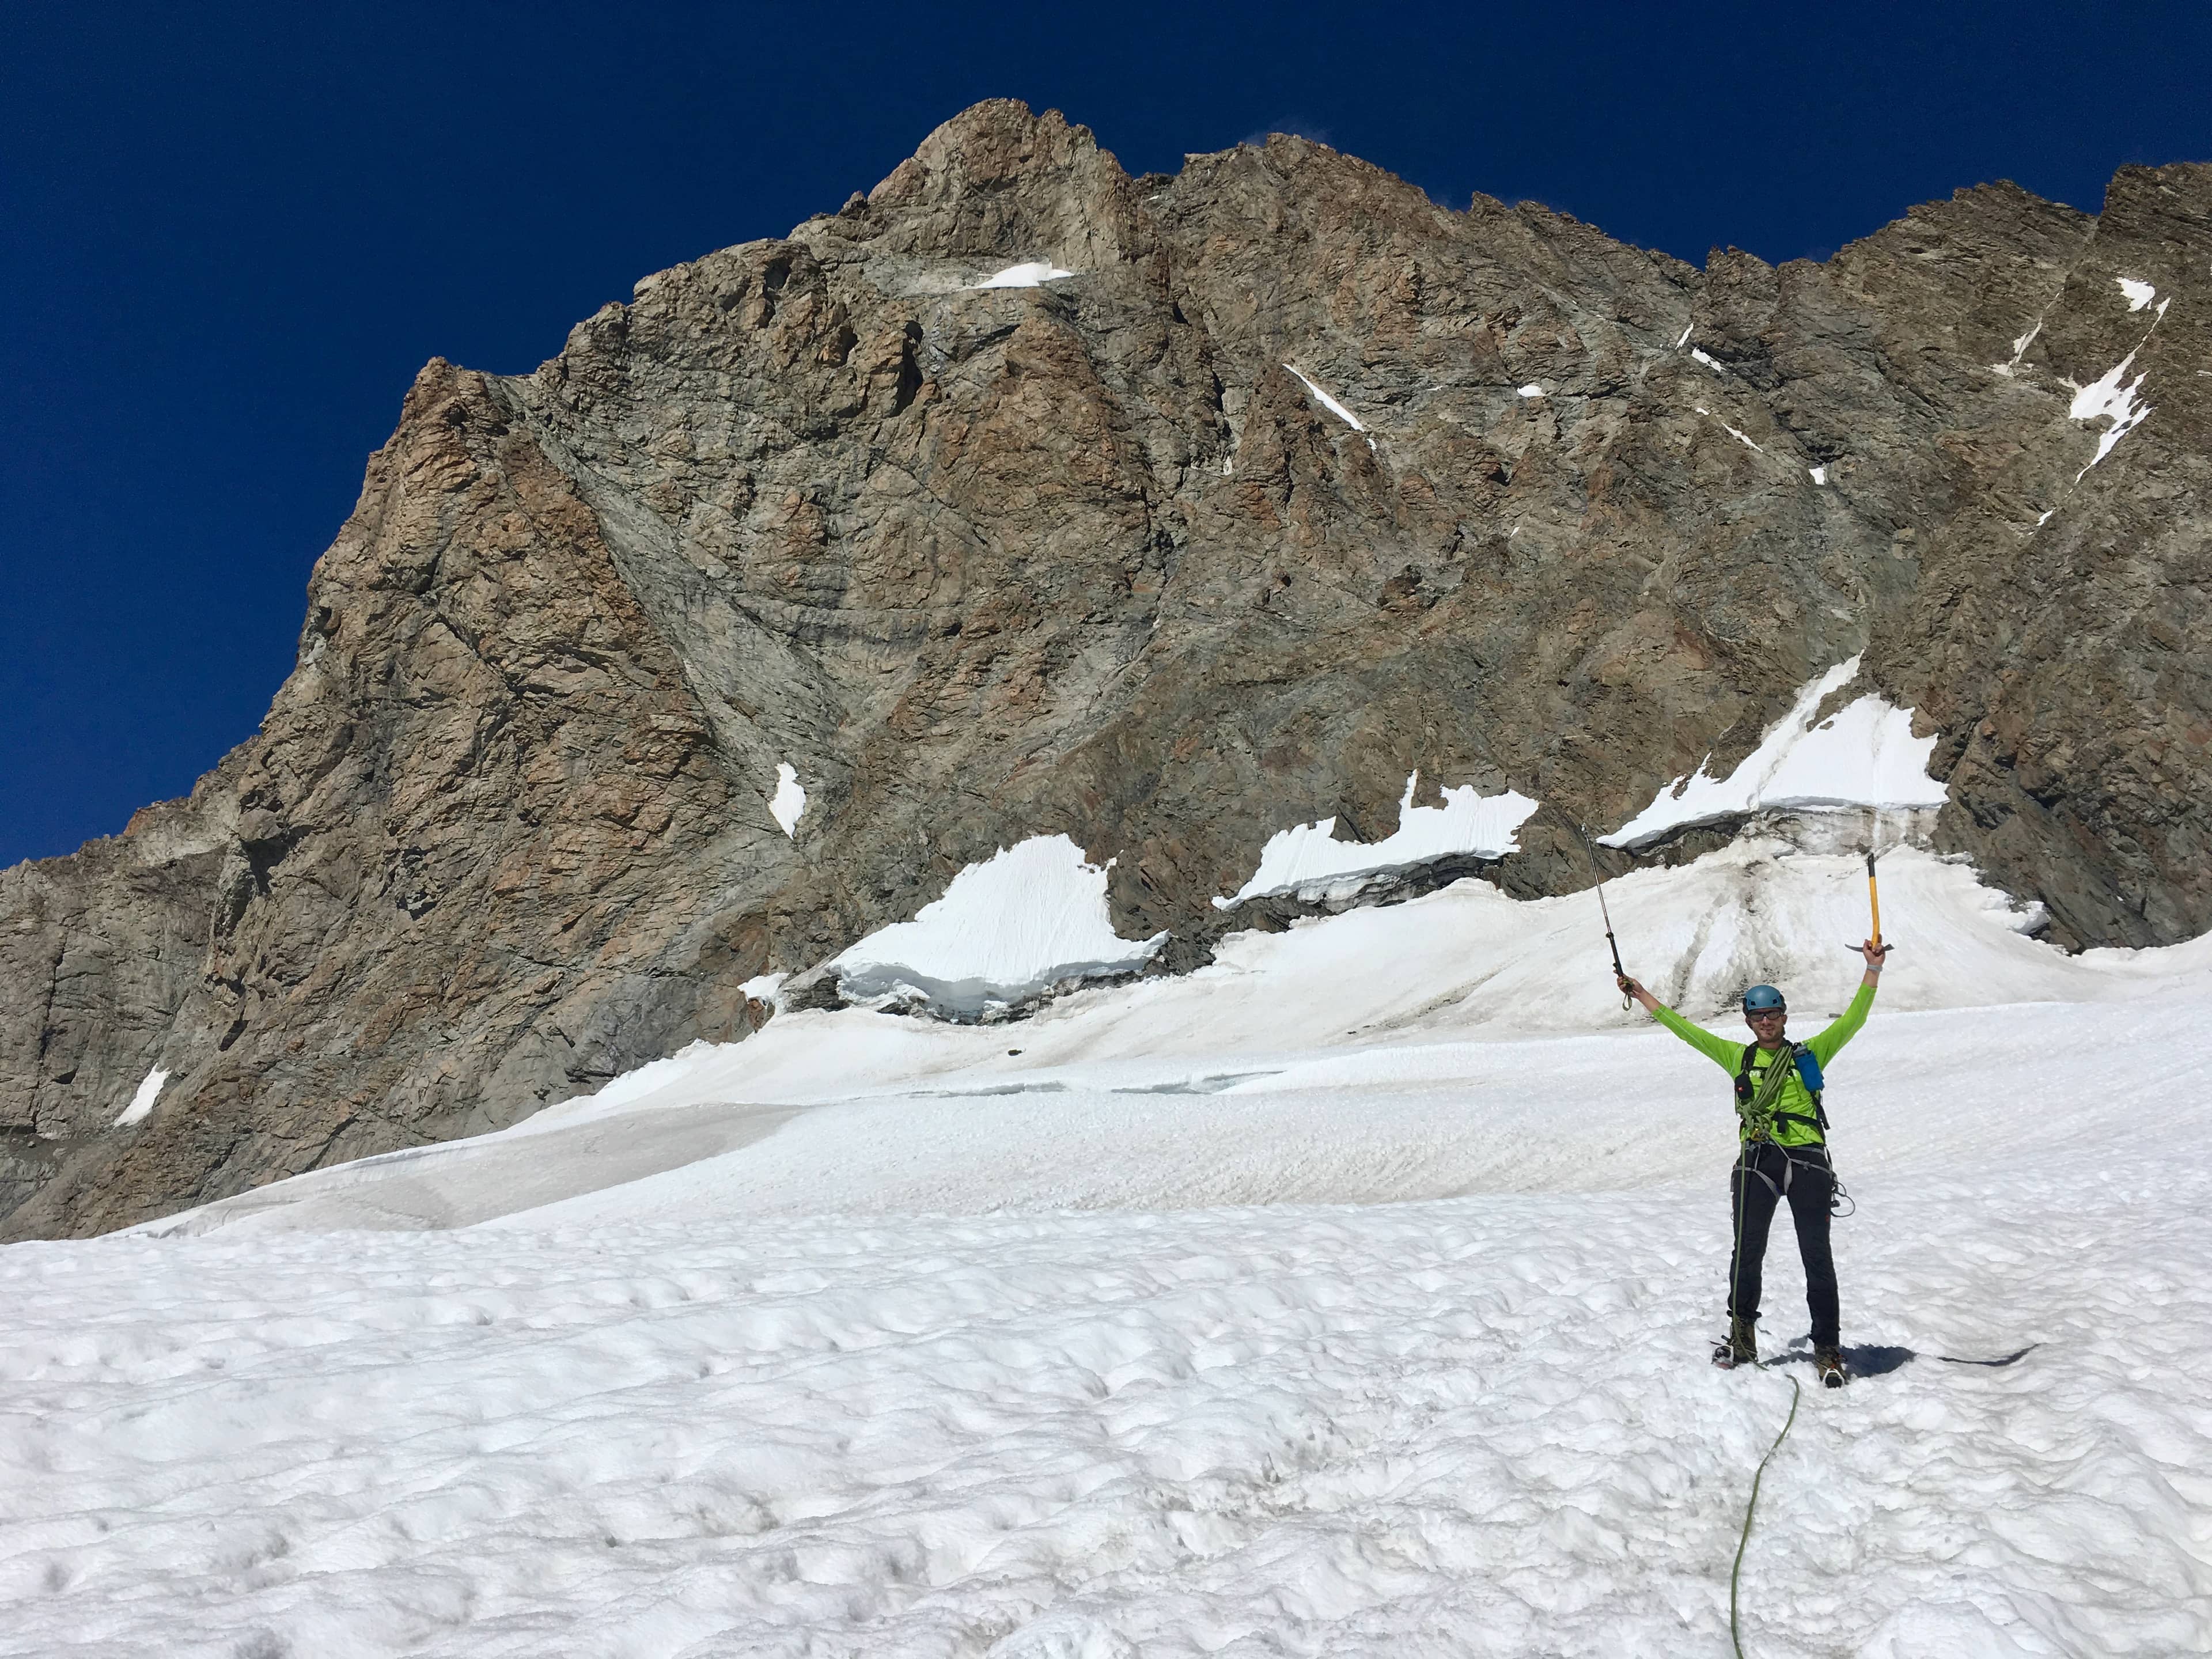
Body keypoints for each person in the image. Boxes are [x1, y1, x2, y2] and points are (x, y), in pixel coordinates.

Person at [1615, 940, 1890, 1387]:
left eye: (1773, 1015)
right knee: (1747, 1253)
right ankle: (1742, 1339)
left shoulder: (1811, 1053)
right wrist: (1642, 993)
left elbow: (1855, 1018)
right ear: (1748, 1020)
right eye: (1758, 1016)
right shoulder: (1738, 1057)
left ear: (1784, 1017)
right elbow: (1685, 1030)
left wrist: (1873, 970)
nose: (1766, 1022)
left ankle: (1827, 1348)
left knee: (1816, 1257)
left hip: (1807, 1163)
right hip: (1757, 1161)